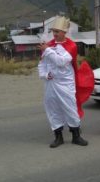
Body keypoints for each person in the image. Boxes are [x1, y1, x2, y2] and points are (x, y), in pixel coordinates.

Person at [38, 16, 89, 148]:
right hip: (51, 84)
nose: (54, 34)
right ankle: (58, 137)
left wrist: (47, 50)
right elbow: (42, 64)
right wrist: (44, 74)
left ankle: (76, 136)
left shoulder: (71, 46)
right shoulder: (49, 45)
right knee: (53, 109)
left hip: (66, 84)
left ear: (64, 32)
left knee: (70, 108)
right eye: (53, 31)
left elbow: (61, 62)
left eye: (57, 31)